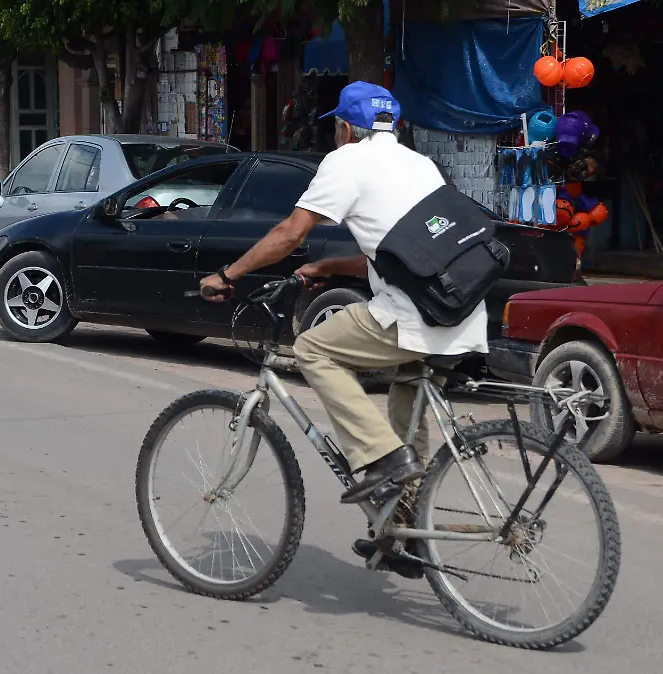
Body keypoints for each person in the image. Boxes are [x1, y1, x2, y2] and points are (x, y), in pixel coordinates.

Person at [198, 82, 489, 567]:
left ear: (345, 128)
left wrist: (228, 274)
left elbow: (290, 232)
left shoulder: (346, 160)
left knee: (313, 348)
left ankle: (381, 459)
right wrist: (329, 267)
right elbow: (406, 253)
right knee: (406, 400)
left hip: (413, 313)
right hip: (461, 311)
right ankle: (405, 532)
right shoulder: (419, 164)